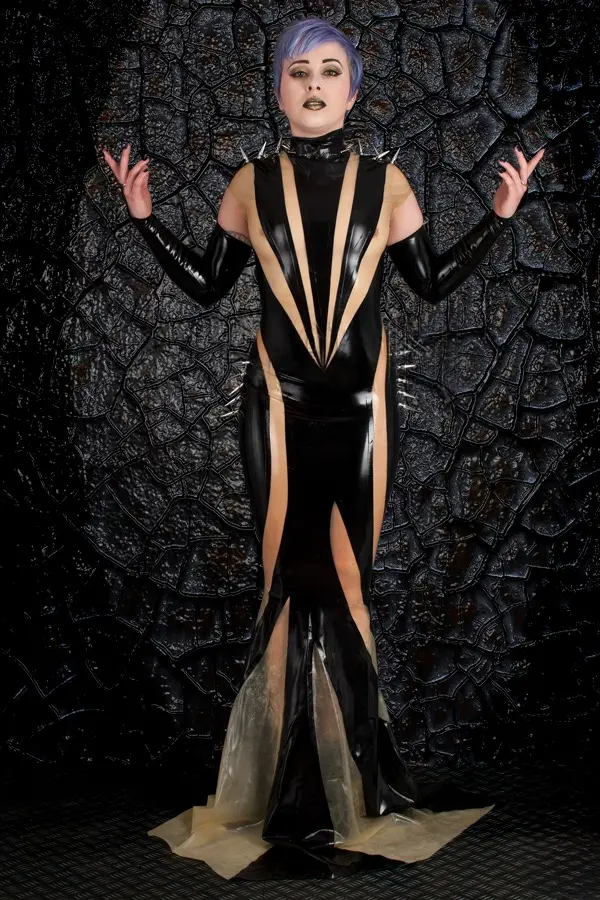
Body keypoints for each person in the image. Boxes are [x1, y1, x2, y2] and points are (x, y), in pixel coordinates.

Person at [103, 17, 544, 881]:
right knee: (286, 586)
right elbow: (208, 286)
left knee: (347, 586)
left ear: (353, 89)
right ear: (278, 90)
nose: (313, 84)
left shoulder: (387, 183)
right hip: (276, 407)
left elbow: (429, 282)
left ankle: (352, 791)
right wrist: (145, 221)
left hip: (364, 410)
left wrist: (498, 219)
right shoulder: (249, 182)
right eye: (298, 71)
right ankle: (284, 794)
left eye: (330, 71)